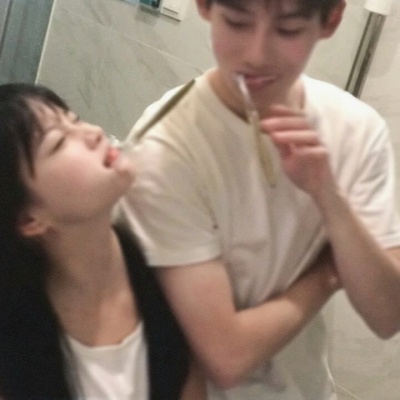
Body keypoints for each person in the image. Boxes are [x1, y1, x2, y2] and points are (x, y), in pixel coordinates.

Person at [121, 0, 400, 399]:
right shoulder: (163, 148)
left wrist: (329, 196)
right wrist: (326, 275)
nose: (256, 54)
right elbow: (226, 358)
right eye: (237, 22)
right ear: (205, 6)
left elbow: (388, 315)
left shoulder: (357, 128)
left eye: (288, 29)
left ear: (331, 20)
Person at [0, 83, 205, 400]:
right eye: (59, 142)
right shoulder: (14, 342)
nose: (94, 132)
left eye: (75, 119)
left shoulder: (165, 269)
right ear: (30, 220)